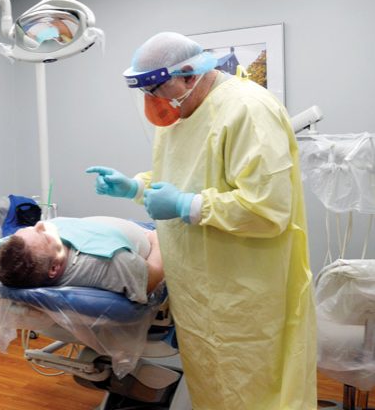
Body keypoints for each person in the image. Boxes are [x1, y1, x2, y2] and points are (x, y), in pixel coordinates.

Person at [86, 32, 317, 409]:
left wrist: (186, 205)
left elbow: (268, 209)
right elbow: (180, 181)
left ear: (190, 74)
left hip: (247, 293)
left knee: (256, 390)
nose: (155, 102)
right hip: (197, 292)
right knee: (212, 386)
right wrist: (134, 187)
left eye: (158, 89)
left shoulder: (248, 110)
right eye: (146, 92)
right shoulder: (177, 114)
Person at [0, 216, 164, 305]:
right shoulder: (106, 261)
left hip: (123, 230)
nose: (40, 224)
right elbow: (152, 278)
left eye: (29, 229)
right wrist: (158, 239)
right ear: (54, 268)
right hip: (148, 236)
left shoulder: (35, 258)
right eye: (44, 237)